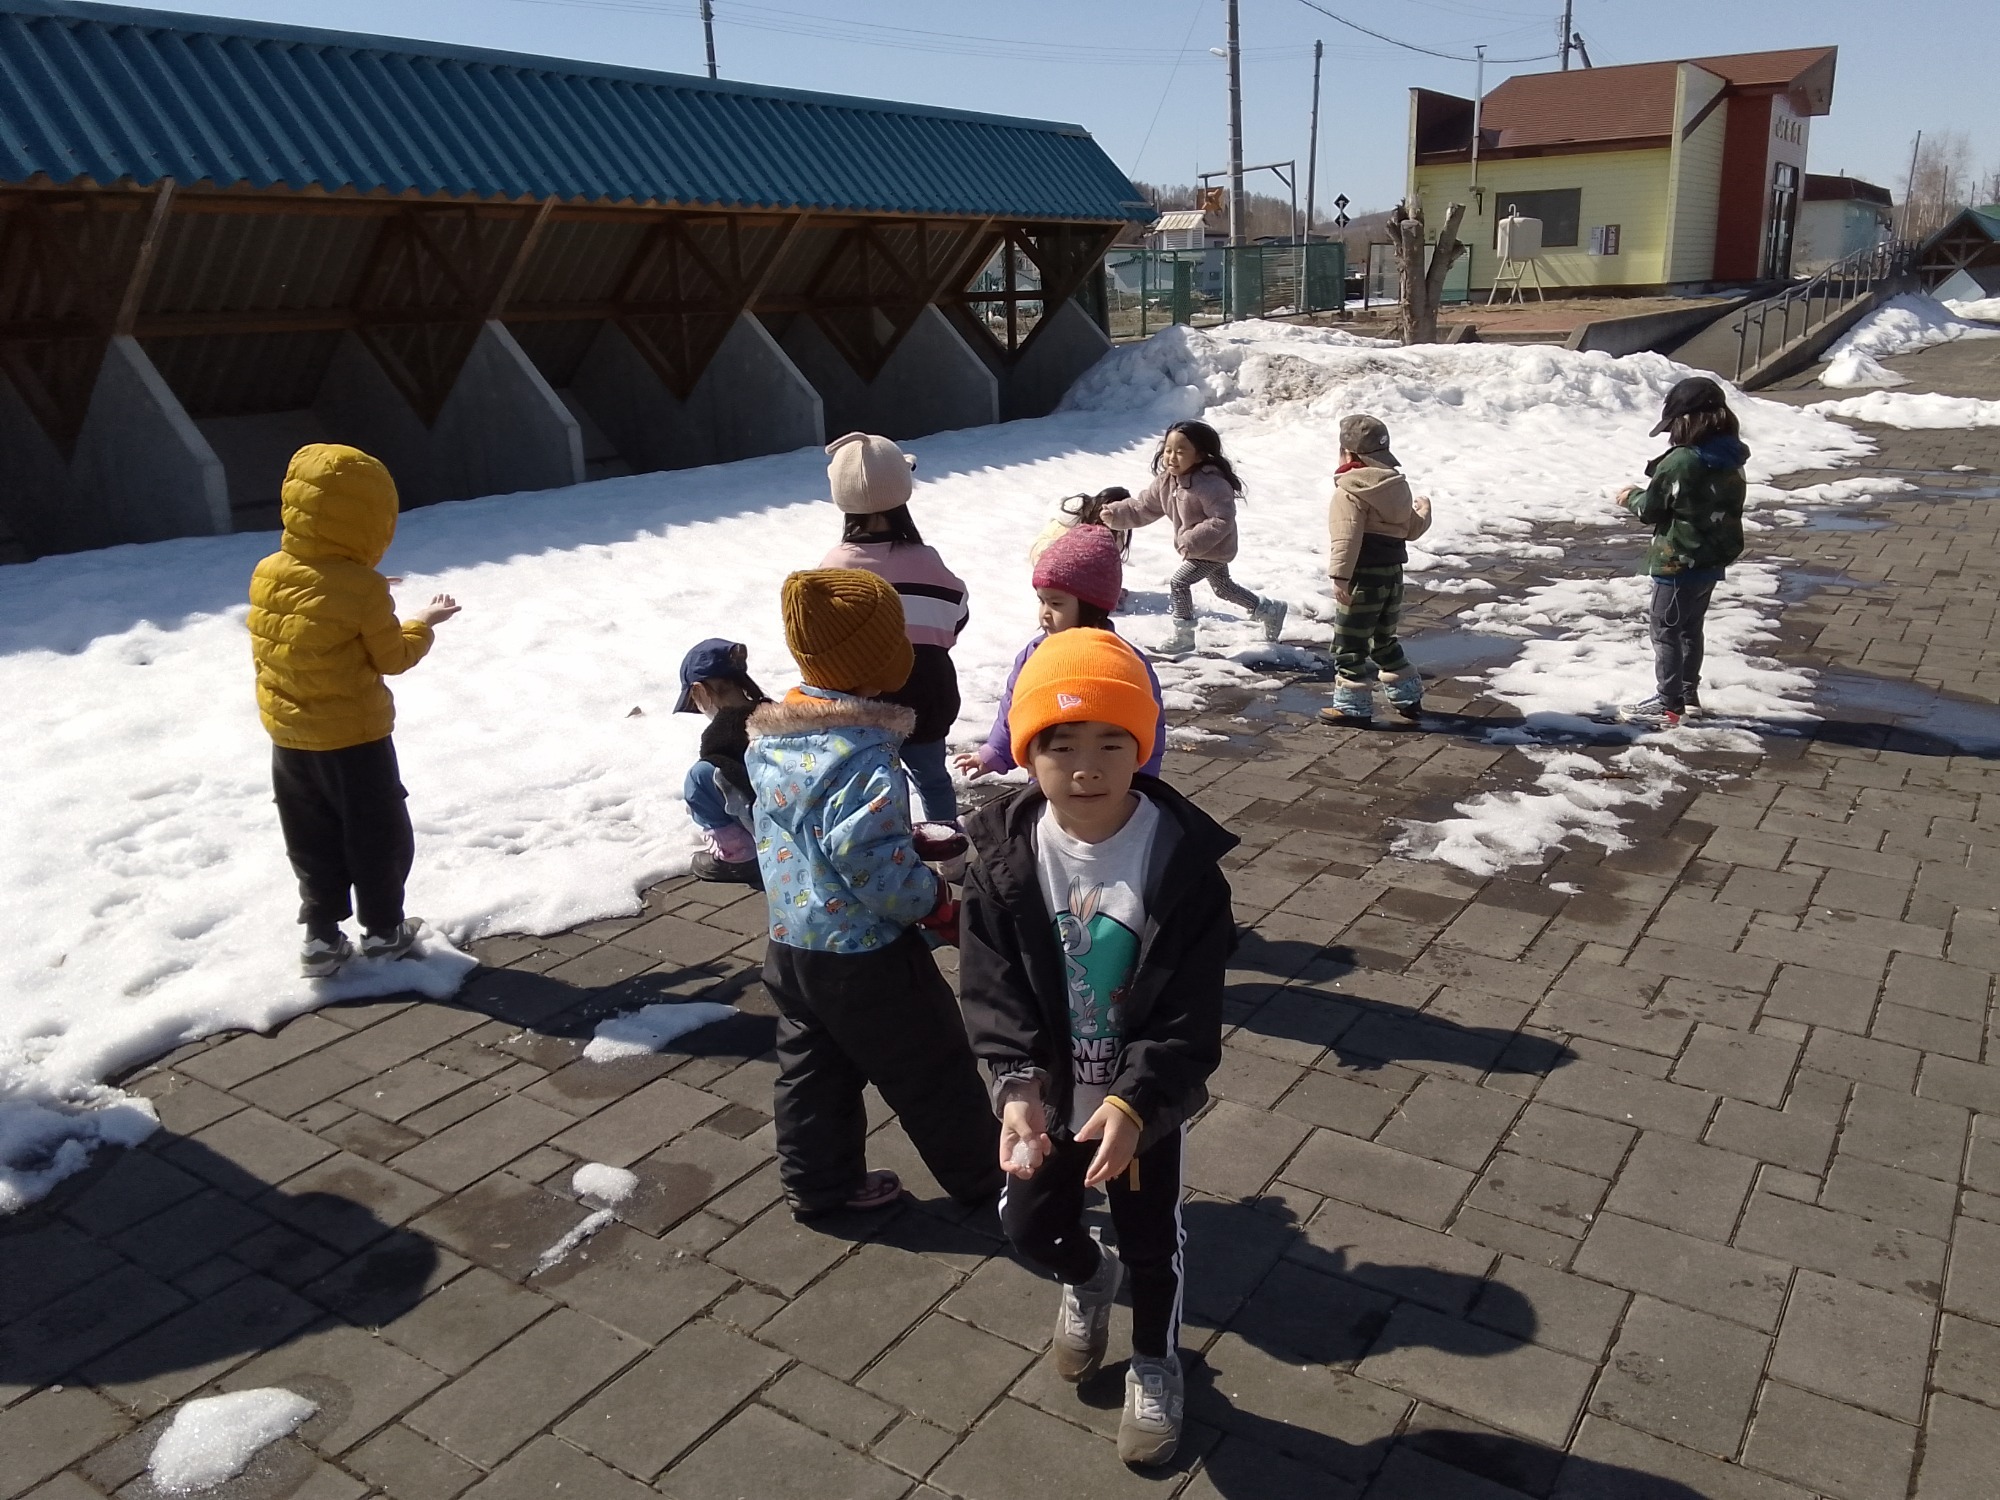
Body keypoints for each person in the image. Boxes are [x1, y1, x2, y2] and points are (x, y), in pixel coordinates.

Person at [958, 629, 1237, 1468]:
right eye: (1060, 743)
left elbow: (1192, 1013)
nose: (1086, 765)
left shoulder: (1181, 864)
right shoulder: (1005, 861)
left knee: (1154, 1242)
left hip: (1135, 1105)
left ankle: (1155, 1361)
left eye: (1112, 741)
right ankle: (1085, 1275)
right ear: (1025, 750)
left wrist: (1137, 1100)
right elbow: (992, 983)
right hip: (1045, 1102)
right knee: (1026, 1225)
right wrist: (1015, 1085)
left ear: (1143, 747)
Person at [746, 567, 1002, 1220]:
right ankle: (993, 1184)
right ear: (878, 662)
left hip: (793, 942)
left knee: (812, 1070)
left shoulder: (778, 739)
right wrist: (935, 901)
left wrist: (902, 837)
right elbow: (872, 867)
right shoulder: (860, 756)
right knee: (933, 1068)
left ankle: (819, 1187)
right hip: (867, 956)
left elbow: (816, 834)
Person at [247, 444, 459, 978]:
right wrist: (423, 621)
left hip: (290, 740)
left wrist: (358, 590)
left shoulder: (269, 569)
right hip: (354, 740)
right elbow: (394, 657)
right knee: (377, 832)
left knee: (311, 835)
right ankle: (385, 931)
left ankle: (320, 937)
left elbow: (314, 606)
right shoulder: (360, 589)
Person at [817, 431, 969, 826]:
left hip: (863, 699)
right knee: (933, 780)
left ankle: (887, 861)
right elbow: (956, 616)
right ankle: (948, 855)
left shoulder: (833, 566)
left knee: (874, 786)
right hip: (928, 692)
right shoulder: (927, 560)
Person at [954, 522, 1168, 782]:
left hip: (1111, 788)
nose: (1044, 612)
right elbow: (1016, 709)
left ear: (1092, 605)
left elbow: (1148, 726)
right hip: (1050, 787)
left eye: (1056, 603)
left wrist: (1144, 784)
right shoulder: (1034, 655)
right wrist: (994, 753)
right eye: (1041, 600)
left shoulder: (1123, 661)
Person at [1614, 375, 1748, 729]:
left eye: (1673, 425)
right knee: (1690, 627)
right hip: (1711, 558)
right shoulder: (1730, 456)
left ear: (1687, 422)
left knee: (1665, 628)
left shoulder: (1682, 462)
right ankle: (1689, 695)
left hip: (1678, 559)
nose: (1672, 433)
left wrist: (1631, 497)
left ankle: (1667, 702)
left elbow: (1652, 510)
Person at [1099, 419, 1285, 655]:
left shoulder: (1211, 484)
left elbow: (1222, 519)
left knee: (1179, 583)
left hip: (1213, 547)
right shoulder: (1166, 482)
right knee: (1224, 588)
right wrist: (1115, 513)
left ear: (1198, 456)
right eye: (1168, 450)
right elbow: (1143, 507)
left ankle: (1183, 634)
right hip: (1198, 549)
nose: (1171, 457)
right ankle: (1269, 610)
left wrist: (1191, 541)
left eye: (1180, 451)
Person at [1319, 413, 1434, 728]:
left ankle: (1352, 706)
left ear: (1347, 454)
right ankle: (1407, 695)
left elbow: (1347, 536)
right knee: (1382, 638)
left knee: (1349, 642)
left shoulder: (1349, 491)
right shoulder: (1397, 487)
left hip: (1362, 578)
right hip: (1392, 576)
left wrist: (1340, 576)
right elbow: (1412, 528)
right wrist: (1424, 511)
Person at [673, 638, 770, 885]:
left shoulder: (721, 737)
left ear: (699, 691)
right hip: (792, 817)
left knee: (700, 778)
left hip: (766, 825)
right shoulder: (772, 712)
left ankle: (739, 856)